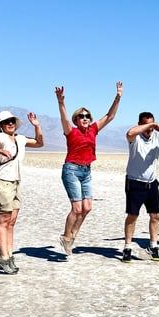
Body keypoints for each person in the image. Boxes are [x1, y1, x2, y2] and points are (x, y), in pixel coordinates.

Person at [54, 82, 122, 258]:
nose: (85, 118)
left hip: (86, 172)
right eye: (81, 116)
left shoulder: (93, 129)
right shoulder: (71, 131)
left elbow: (110, 116)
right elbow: (64, 119)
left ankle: (72, 236)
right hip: (71, 170)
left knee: (87, 207)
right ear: (76, 120)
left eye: (87, 116)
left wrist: (117, 97)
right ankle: (65, 237)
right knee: (77, 209)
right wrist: (61, 102)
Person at [0, 111, 45, 274]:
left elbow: (39, 143)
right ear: (1, 125)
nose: (10, 124)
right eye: (6, 122)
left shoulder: (20, 138)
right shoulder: (1, 137)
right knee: (3, 221)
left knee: (11, 221)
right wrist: (0, 151)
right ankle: (4, 257)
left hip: (16, 182)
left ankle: (9, 256)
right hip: (3, 182)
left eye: (12, 121)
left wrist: (37, 125)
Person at [122, 113, 159, 263]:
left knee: (155, 215)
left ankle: (153, 246)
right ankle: (127, 248)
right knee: (132, 215)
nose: (150, 130)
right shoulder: (135, 138)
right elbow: (129, 133)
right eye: (147, 126)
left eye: (152, 125)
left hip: (151, 183)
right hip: (134, 182)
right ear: (140, 124)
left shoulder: (157, 137)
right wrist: (151, 125)